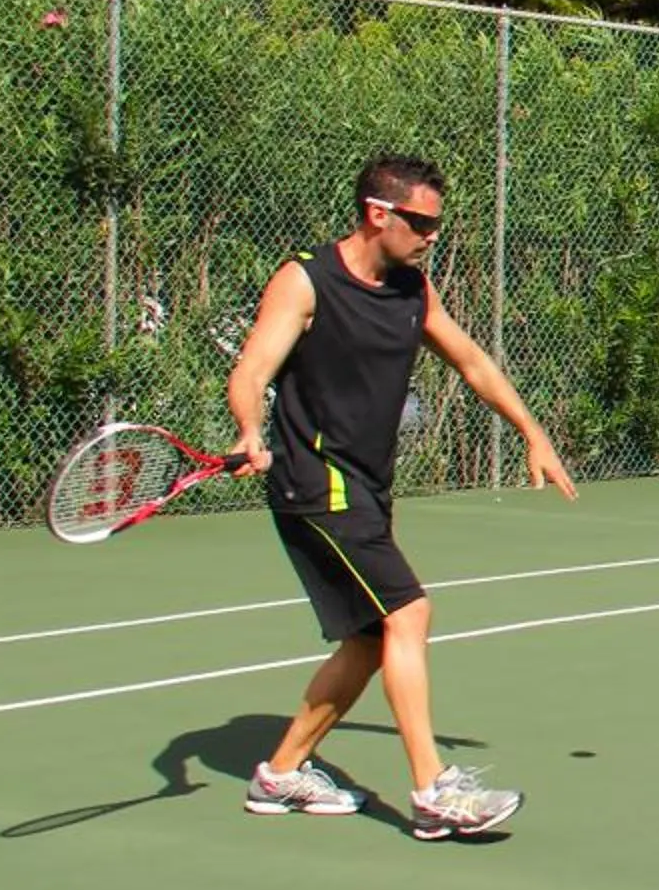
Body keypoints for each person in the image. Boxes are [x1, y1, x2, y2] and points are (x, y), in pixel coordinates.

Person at [223, 155, 577, 838]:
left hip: (366, 485)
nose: (431, 235)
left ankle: (281, 773)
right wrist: (247, 427)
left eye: (438, 225)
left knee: (368, 639)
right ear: (377, 213)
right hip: (315, 481)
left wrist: (533, 432)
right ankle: (433, 791)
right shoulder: (306, 280)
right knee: (408, 613)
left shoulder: (414, 291)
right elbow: (252, 369)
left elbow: (472, 361)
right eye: (421, 222)